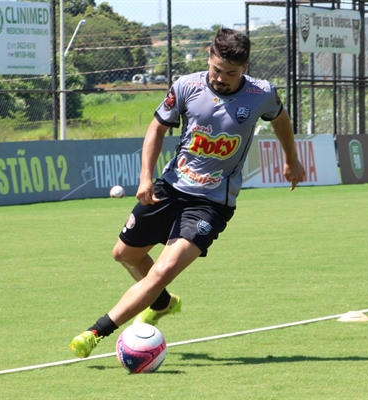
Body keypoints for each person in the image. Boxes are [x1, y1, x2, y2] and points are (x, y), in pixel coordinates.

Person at [69, 28, 305, 358]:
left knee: (164, 270)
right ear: (208, 57)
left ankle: (96, 332)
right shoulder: (186, 86)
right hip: (171, 186)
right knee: (125, 254)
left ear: (246, 68)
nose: (222, 79)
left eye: (231, 73)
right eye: (217, 70)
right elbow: (156, 128)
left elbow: (280, 120)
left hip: (212, 203)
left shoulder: (261, 93)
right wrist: (145, 177)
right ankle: (163, 302)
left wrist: (291, 160)